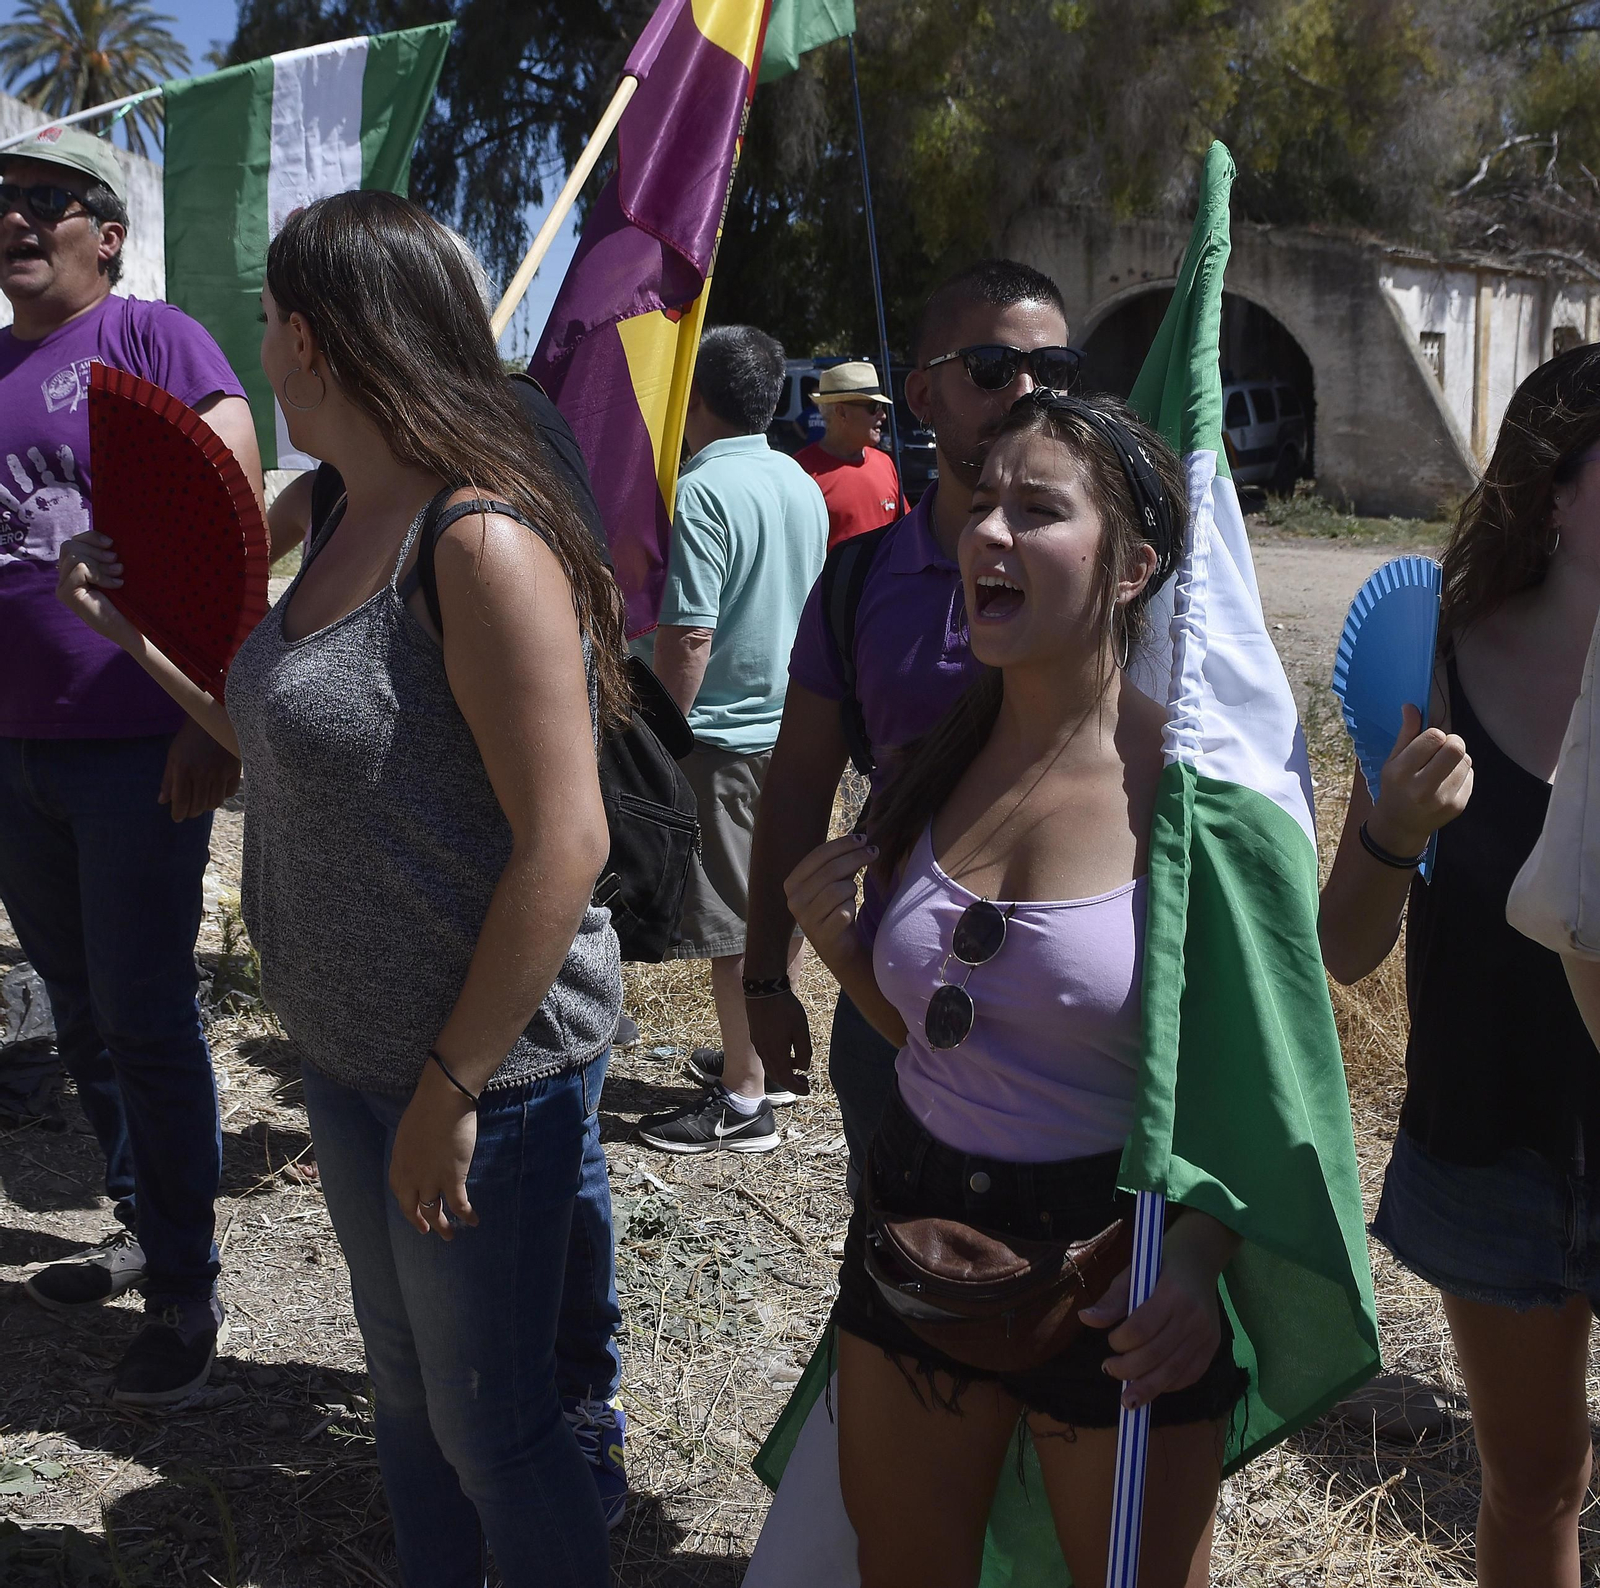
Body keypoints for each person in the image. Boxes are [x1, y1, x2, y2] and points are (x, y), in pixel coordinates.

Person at [58, 190, 626, 1588]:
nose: (260, 351)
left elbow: (567, 842)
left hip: (474, 1086)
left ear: (308, 338)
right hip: (358, 1061)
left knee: (498, 1435)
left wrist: (451, 1090)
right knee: (414, 1414)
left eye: (264, 324)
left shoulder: (477, 540)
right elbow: (289, 736)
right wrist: (121, 626)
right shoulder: (343, 512)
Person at [784, 390, 1244, 1588]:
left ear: (1134, 566)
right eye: (979, 500)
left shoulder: (1197, 807)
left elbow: (1270, 1079)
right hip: (915, 1238)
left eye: (1035, 510)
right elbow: (955, 1045)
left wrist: (1199, 1256)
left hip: (1122, 1270)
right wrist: (842, 959)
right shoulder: (934, 757)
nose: (986, 530)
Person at [1319, 344, 1600, 1588]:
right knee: (1534, 1479)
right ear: (1555, 490)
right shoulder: (1431, 660)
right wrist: (1394, 827)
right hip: (1491, 1147)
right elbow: (1345, 944)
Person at [0, 125, 268, 1406]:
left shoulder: (155, 339)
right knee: (80, 1012)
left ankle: (184, 1286)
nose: (11, 219)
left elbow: (234, 524)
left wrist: (207, 722)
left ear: (106, 232)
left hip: (133, 751)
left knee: (150, 1016)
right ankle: (135, 1222)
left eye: (40, 200)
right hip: (14, 754)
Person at [743, 260, 1078, 1178]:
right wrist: (768, 975)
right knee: (902, 1272)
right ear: (923, 392)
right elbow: (800, 786)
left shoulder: (1124, 586)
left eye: (1054, 372)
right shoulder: (858, 584)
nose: (1028, 393)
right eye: (992, 368)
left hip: (1081, 1012)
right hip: (890, 997)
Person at [636, 325, 829, 1154]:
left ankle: (746, 1100)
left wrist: (653, 735)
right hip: (796, 728)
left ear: (695, 398)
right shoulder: (799, 482)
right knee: (772, 912)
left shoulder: (706, 490)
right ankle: (762, 1054)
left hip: (720, 736)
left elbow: (687, 638)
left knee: (727, 925)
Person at [795, 361, 905, 549]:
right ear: (841, 412)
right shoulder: (800, 474)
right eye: (873, 407)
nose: (883, 415)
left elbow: (905, 531)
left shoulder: (885, 463)